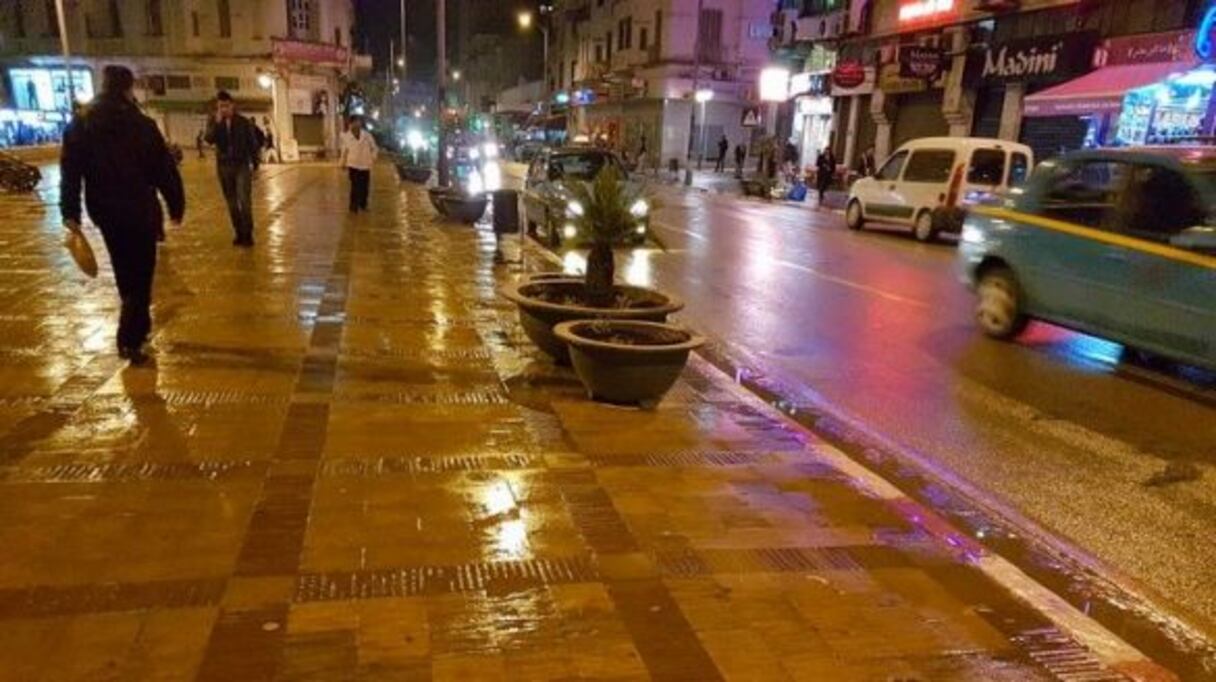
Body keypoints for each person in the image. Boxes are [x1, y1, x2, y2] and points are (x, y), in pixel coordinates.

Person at [60, 65, 185, 365]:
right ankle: (131, 337)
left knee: (124, 269)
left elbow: (70, 172)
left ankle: (136, 327)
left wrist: (70, 211)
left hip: (105, 211)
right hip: (139, 208)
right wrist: (175, 203)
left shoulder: (81, 123)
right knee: (142, 273)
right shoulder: (141, 124)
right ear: (128, 89)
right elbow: (163, 169)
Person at [205, 91, 260, 246]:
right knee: (231, 202)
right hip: (224, 166)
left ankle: (248, 234)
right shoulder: (214, 121)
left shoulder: (243, 122)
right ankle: (239, 233)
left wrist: (255, 165)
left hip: (241, 165)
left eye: (226, 106)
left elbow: (252, 144)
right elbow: (209, 139)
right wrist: (216, 124)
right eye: (220, 106)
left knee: (244, 200)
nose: (224, 109)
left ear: (232, 105)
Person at [339, 115, 377, 213]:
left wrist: (373, 158)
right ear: (350, 124)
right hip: (353, 164)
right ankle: (353, 207)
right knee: (355, 186)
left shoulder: (367, 136)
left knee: (364, 186)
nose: (356, 124)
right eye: (354, 122)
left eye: (358, 122)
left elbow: (374, 147)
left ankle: (363, 205)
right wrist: (342, 162)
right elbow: (344, 151)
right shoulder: (346, 137)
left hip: (365, 164)